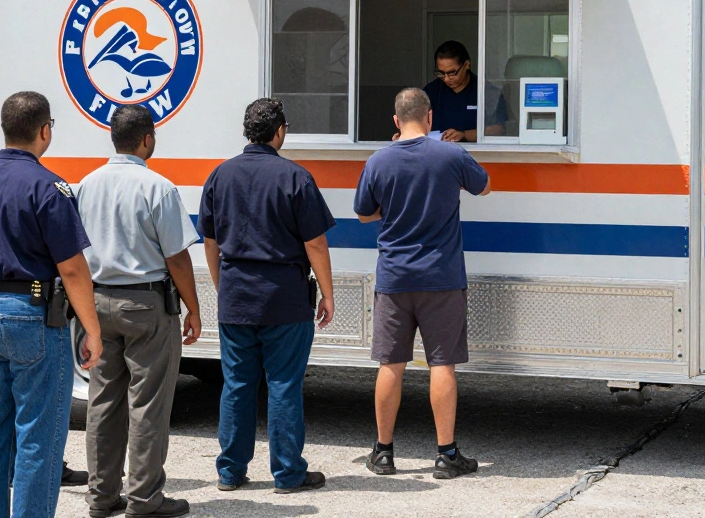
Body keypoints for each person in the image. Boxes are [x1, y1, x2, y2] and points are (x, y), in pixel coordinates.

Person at [0, 91, 102, 518]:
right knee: (39, 433)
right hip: (30, 314)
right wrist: (92, 330)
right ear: (44, 130)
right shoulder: (49, 187)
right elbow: (73, 270)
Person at [200, 98, 336, 494]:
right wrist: (327, 294)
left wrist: (221, 285)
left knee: (237, 386)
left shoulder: (220, 175)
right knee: (283, 385)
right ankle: (288, 474)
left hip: (236, 297)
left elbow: (210, 242)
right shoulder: (295, 177)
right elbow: (315, 244)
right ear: (279, 131)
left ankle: (230, 472)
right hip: (285, 299)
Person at [355, 87, 491, 479]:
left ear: (396, 122)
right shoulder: (451, 155)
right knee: (442, 363)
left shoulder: (379, 160)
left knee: (390, 364)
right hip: (442, 278)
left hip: (395, 278)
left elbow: (364, 214)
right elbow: (484, 186)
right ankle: (446, 456)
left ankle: (383, 453)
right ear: (430, 118)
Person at [76, 105, 202, 518]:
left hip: (96, 303)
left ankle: (101, 498)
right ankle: (145, 499)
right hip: (145, 304)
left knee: (103, 401)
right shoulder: (158, 187)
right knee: (147, 403)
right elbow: (178, 258)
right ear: (147, 139)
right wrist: (193, 308)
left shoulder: (87, 185)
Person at [418, 40, 507, 142]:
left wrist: (465, 135)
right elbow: (415, 126)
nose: (446, 79)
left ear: (466, 65)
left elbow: (498, 129)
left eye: (452, 73)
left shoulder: (488, 93)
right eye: (441, 73)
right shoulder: (430, 93)